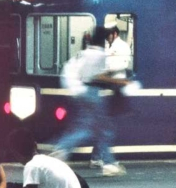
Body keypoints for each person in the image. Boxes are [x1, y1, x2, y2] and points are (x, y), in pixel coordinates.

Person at [52, 26, 128, 176]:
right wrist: (122, 82)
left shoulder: (84, 53)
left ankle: (62, 149)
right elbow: (97, 76)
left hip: (79, 92)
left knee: (88, 127)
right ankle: (108, 164)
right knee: (103, 129)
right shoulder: (99, 55)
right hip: (91, 93)